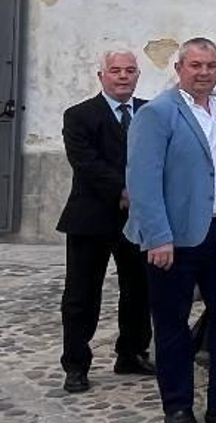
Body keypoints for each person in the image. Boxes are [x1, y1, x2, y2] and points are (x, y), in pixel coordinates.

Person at [125, 38, 216, 423]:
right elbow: (143, 180)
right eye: (195, 65)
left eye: (211, 66)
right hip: (177, 237)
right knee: (171, 323)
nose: (203, 73)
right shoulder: (158, 114)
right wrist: (157, 237)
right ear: (179, 68)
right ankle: (178, 406)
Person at [58, 51, 153, 394]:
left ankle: (132, 352)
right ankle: (76, 364)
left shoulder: (150, 112)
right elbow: (85, 162)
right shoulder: (80, 115)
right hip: (91, 218)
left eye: (130, 71)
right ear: (101, 76)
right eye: (115, 71)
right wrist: (123, 189)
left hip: (139, 219)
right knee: (82, 295)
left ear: (138, 75)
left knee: (139, 289)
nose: (123, 77)